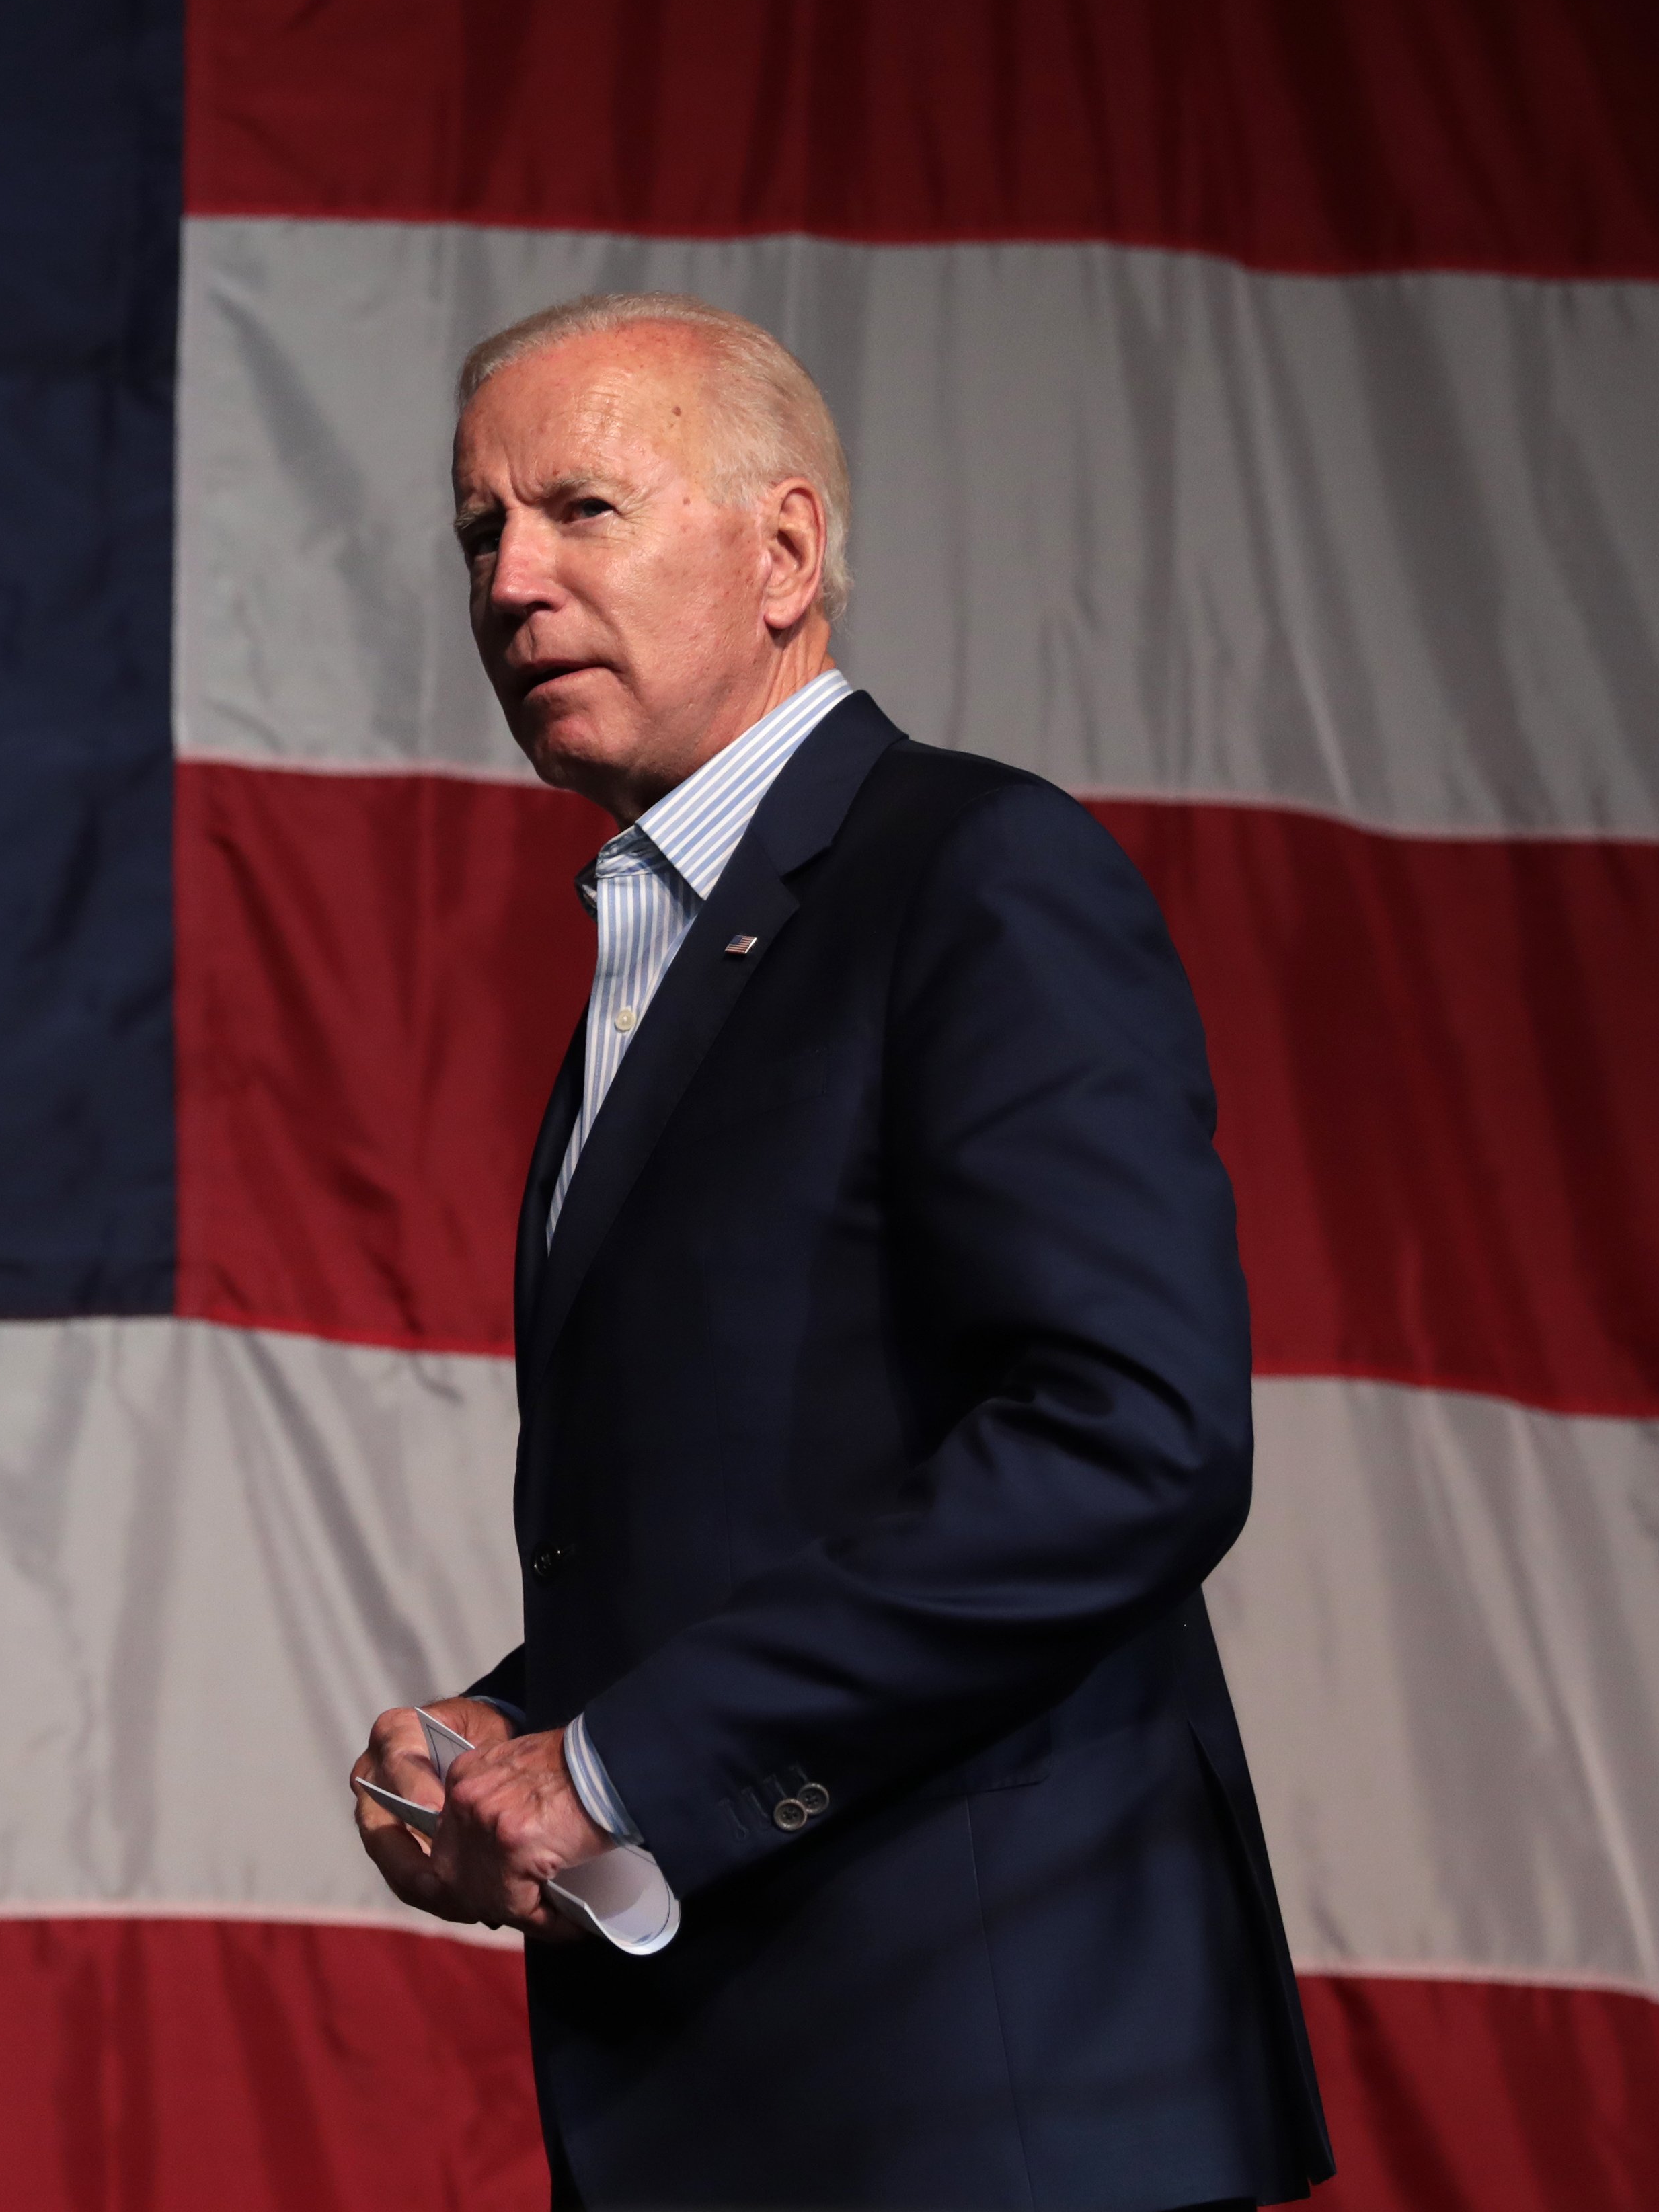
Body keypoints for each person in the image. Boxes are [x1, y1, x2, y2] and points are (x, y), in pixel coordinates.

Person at [348, 294, 1335, 2210]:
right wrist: (511, 1728)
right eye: (480, 533)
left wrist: (613, 1774)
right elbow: (779, 1502)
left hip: (984, 2093)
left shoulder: (970, 875)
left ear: (783, 552)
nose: (512, 581)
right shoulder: (668, 950)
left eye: (577, 510)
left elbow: (1126, 1438)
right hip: (766, 2093)